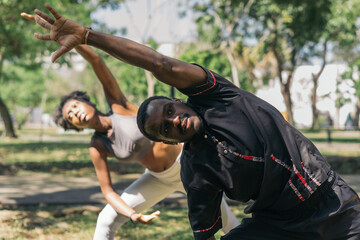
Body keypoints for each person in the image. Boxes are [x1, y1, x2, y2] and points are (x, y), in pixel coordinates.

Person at [25, 4, 360, 240]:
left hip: (328, 201)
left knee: (230, 221)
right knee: (108, 219)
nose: (174, 122)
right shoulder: (193, 169)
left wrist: (86, 36)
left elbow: (158, 63)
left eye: (171, 112)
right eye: (164, 129)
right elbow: (201, 229)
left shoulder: (217, 97)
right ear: (166, 141)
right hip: (267, 219)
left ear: (177, 100)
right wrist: (131, 213)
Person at [21, 10, 240, 240]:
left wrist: (71, 39)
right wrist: (132, 213)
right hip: (158, 178)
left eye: (75, 106)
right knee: (105, 220)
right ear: (74, 126)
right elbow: (107, 191)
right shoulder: (98, 145)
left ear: (86, 102)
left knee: (230, 226)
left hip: (189, 165)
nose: (76, 113)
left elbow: (96, 60)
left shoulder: (118, 105)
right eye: (71, 117)